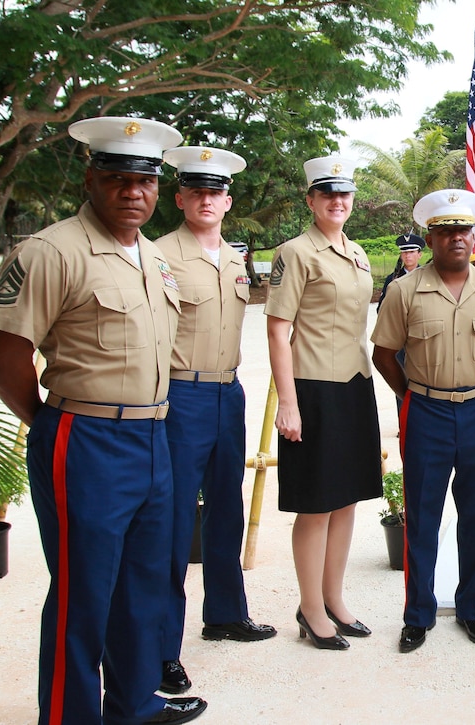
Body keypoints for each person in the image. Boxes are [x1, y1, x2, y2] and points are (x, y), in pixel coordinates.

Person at [0, 116, 208, 723]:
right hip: (86, 438)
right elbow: (3, 352)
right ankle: (69, 715)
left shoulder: (155, 260)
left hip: (154, 438)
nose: (132, 191)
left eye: (144, 180)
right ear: (92, 179)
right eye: (117, 178)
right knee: (83, 595)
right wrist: (52, 423)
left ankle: (132, 704)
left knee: (142, 589)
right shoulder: (52, 252)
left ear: (158, 188)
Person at [154, 146, 277, 697]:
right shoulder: (156, 256)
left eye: (216, 192)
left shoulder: (234, 257)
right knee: (174, 523)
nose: (206, 200)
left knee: (227, 509)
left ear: (228, 201)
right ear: (179, 198)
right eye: (195, 191)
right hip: (180, 398)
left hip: (229, 393)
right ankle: (160, 648)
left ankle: (225, 613)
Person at [371, 189, 475, 653]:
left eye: (463, 230)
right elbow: (384, 354)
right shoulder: (404, 290)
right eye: (445, 231)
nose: (456, 239)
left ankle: (474, 608)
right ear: (430, 238)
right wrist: (410, 393)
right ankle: (418, 614)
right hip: (425, 411)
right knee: (423, 517)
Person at [265, 155, 382, 651]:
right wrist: (287, 404)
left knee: (346, 499)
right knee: (315, 505)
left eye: (345, 195)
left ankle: (333, 598)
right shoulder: (295, 253)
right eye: (327, 194)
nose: (337, 202)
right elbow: (277, 327)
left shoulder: (355, 253)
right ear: (310, 200)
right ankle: (310, 607)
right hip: (312, 389)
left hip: (355, 385)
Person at [377, 233, 425, 310]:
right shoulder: (392, 279)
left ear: (420, 255)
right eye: (405, 252)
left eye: (412, 252)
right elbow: (381, 308)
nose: (408, 256)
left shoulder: (427, 277)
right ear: (401, 255)